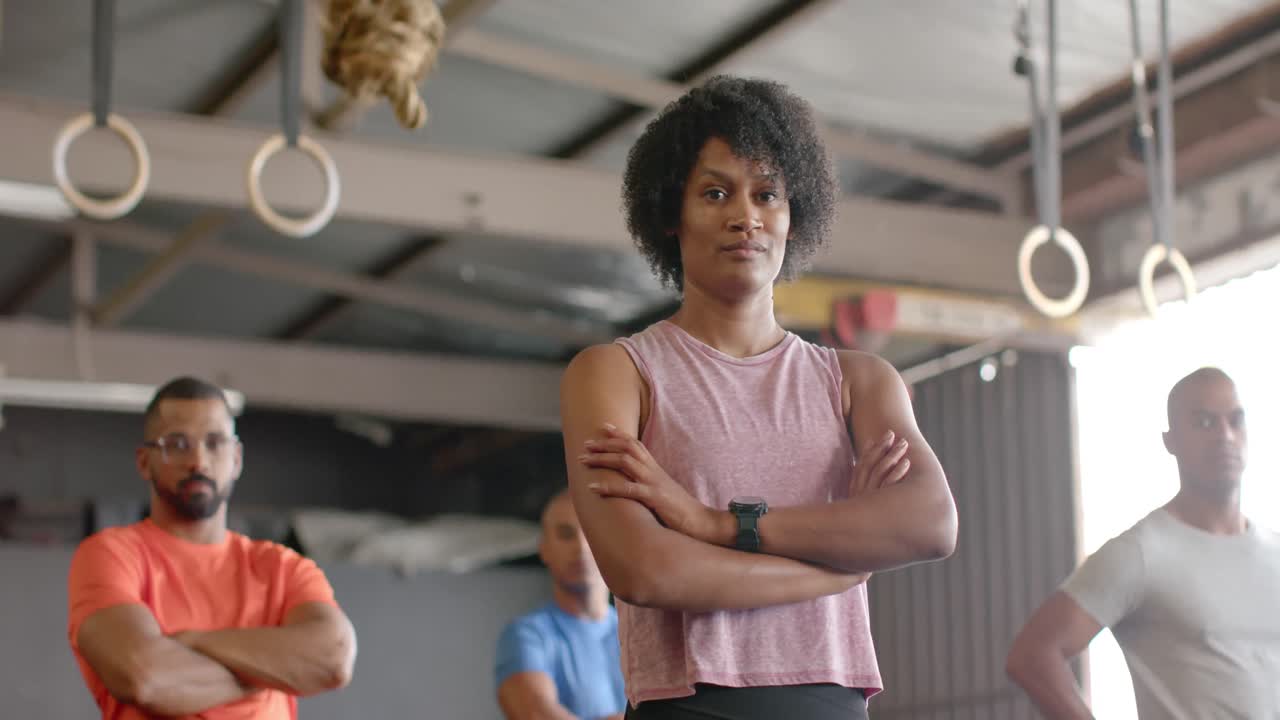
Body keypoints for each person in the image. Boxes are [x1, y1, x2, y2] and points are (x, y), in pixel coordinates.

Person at [559, 75, 958, 719]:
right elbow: (647, 572)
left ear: (793, 213)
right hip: (688, 703)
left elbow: (930, 526)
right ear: (671, 213)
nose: (745, 216)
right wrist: (839, 565)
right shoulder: (614, 373)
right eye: (715, 193)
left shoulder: (858, 381)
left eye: (766, 194)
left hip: (832, 700)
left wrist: (717, 526)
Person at [67, 376, 357, 719]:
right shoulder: (112, 555)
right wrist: (270, 670)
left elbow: (333, 659)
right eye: (177, 444)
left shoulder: (283, 568)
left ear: (236, 459)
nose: (198, 461)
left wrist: (191, 642)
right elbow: (144, 678)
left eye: (215, 443)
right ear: (145, 461)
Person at [1007, 367, 1280, 718]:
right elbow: (1031, 656)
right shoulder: (1143, 553)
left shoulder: (1275, 553)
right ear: (1171, 441)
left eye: (1235, 421)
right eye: (1204, 422)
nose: (1224, 436)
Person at [494, 490, 626, 720]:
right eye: (566, 534)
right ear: (544, 549)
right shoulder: (528, 635)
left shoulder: (638, 635)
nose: (582, 547)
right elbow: (537, 714)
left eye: (591, 533)